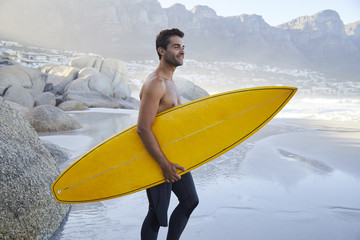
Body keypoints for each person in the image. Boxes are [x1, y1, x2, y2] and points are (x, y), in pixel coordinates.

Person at [137, 28, 199, 240]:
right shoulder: (156, 83)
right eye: (176, 46)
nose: (182, 51)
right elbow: (143, 128)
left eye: (183, 47)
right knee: (156, 213)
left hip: (173, 154)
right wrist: (164, 165)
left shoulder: (170, 82)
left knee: (190, 200)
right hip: (157, 158)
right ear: (161, 51)